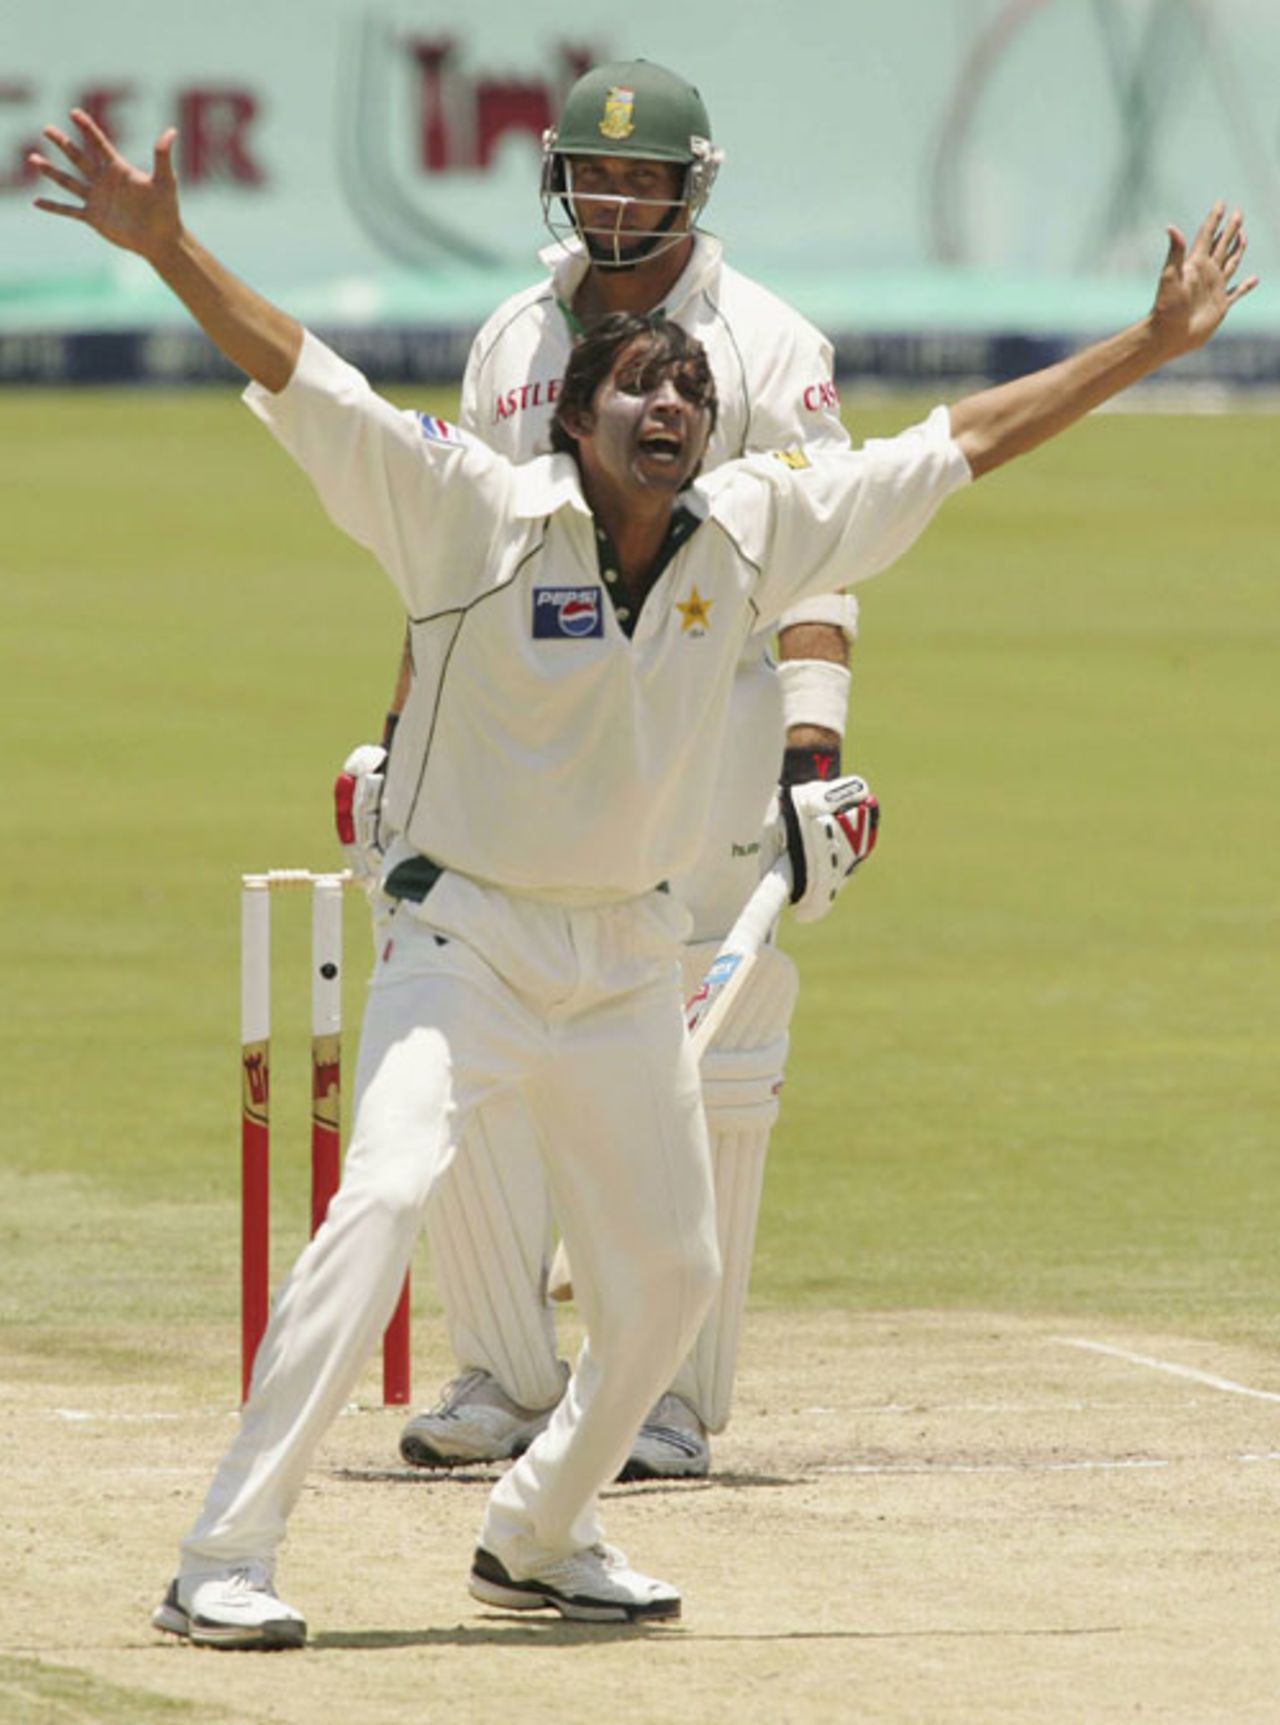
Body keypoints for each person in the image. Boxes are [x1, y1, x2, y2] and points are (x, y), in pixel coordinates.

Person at [30, 104, 1254, 1647]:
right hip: (459, 940)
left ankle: (539, 1529)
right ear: (577, 415)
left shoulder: (749, 528)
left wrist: (1148, 347)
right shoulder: (468, 507)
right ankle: (223, 1548)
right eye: (641, 381)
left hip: (624, 955)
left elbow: (961, 443)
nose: (672, 397)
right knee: (388, 1188)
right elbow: (302, 371)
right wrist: (167, 247)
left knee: (671, 1282)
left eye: (690, 384)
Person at [337, 58, 863, 1483]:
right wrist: (399, 742)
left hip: (710, 738)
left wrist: (815, 753)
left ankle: (671, 1399)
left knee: (723, 1061)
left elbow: (823, 550)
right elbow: (455, 555)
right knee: (477, 1037)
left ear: (694, 187)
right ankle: (506, 1374)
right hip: (529, 751)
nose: (617, 198)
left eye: (645, 177)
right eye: (596, 173)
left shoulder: (765, 342)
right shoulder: (516, 334)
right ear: (560, 178)